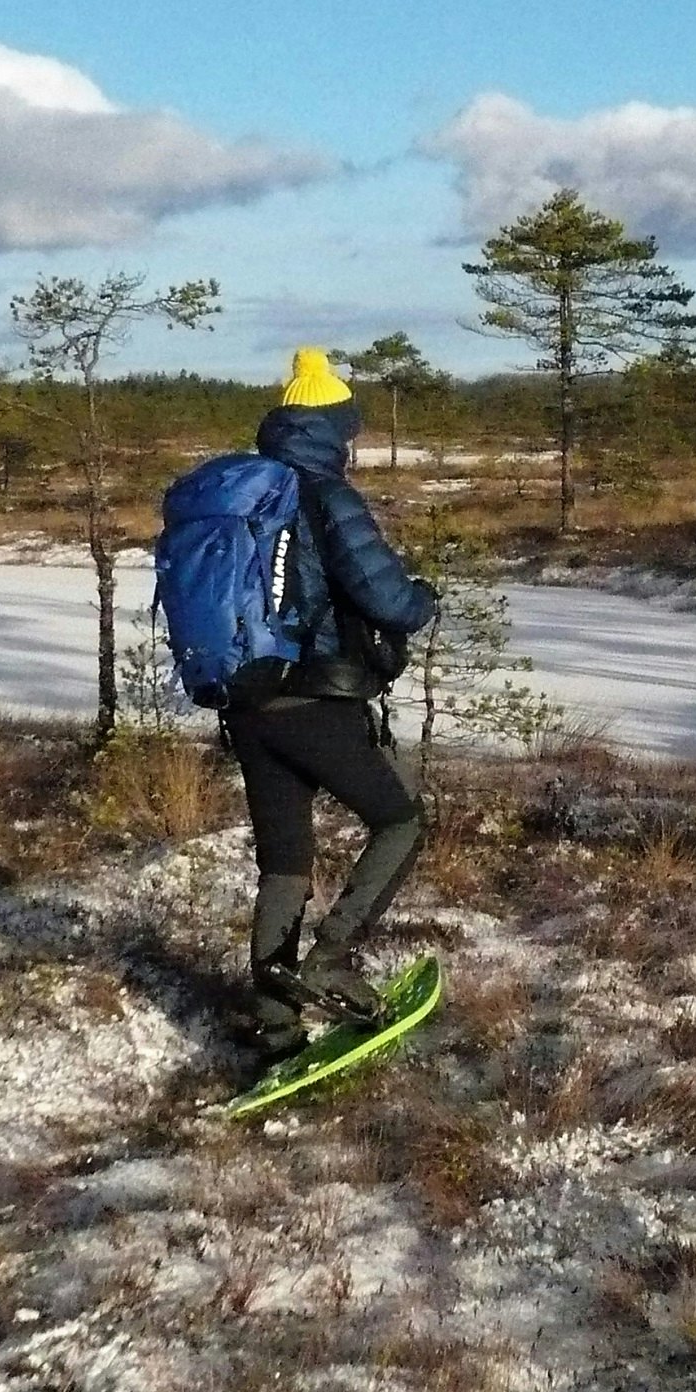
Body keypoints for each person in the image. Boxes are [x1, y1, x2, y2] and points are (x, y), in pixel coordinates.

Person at [229, 348, 438, 1061]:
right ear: (335, 427)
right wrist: (422, 599)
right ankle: (332, 959)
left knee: (285, 862)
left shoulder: (246, 495)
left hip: (247, 703)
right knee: (401, 820)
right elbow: (388, 598)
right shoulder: (325, 494)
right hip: (315, 698)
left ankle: (276, 1025)